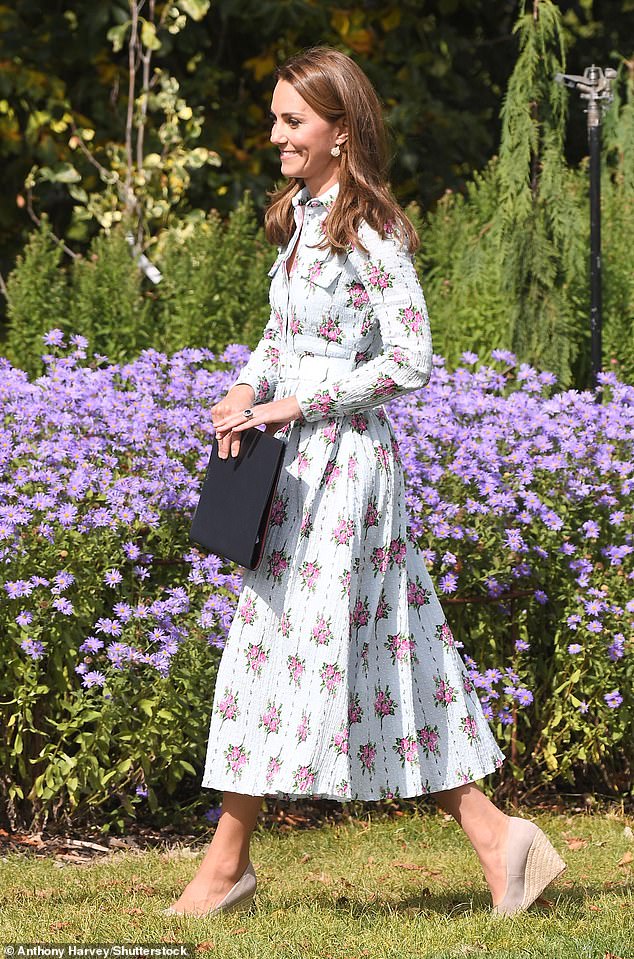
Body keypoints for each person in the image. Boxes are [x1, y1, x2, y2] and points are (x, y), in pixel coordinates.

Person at [165, 45, 566, 920]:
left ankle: (225, 865)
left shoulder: (369, 229)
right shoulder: (303, 219)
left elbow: (412, 359)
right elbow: (285, 337)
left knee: (296, 649)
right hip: (293, 469)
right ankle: (503, 846)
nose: (275, 134)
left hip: (345, 472)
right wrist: (246, 387)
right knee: (375, 652)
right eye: (276, 117)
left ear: (340, 133)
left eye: (292, 121)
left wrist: (298, 402)